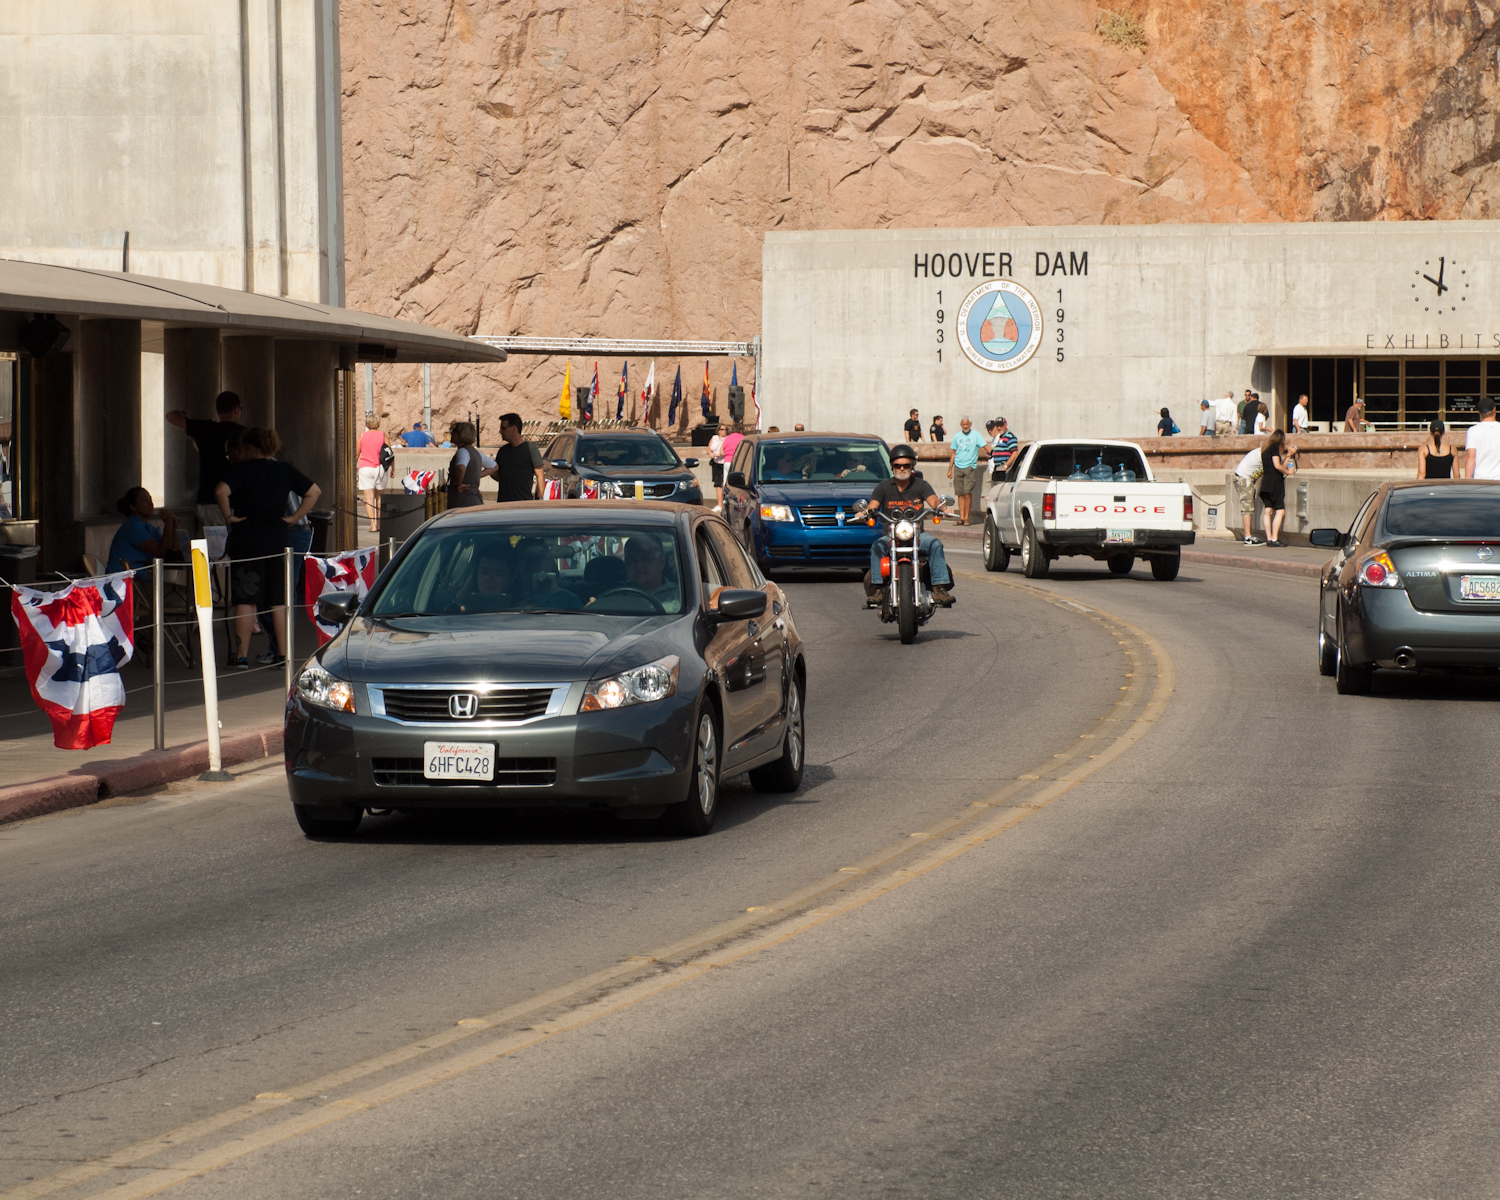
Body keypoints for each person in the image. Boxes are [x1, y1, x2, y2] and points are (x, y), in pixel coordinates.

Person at [215, 428, 320, 669]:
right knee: (278, 599)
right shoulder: (283, 469)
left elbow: (220, 490)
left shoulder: (240, 469)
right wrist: (294, 517)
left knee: (246, 598)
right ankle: (283, 654)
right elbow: (314, 491)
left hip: (247, 536)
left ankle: (241, 656)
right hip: (278, 536)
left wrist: (229, 516)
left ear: (248, 447)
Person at [864, 444, 953, 606]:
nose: (902, 468)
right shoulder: (883, 487)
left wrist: (942, 508)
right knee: (877, 546)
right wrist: (865, 512)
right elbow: (873, 506)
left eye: (906, 465)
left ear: (912, 466)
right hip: (891, 536)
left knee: (935, 544)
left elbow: (933, 501)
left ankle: (939, 589)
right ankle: (878, 590)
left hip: (918, 535)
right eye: (898, 465)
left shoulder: (921, 485)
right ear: (892, 467)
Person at [165, 390, 244, 532]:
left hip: (208, 500)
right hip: (238, 501)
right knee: (239, 545)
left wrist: (184, 416)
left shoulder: (206, 429)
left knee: (213, 545)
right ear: (236, 409)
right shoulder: (245, 434)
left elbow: (171, 416)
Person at [107, 487, 179, 573]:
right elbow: (161, 552)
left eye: (150, 500)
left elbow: (172, 552)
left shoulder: (147, 526)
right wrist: (167, 523)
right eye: (145, 500)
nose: (150, 503)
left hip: (139, 578)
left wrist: (173, 526)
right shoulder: (133, 526)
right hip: (123, 579)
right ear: (133, 507)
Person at [491, 412, 545, 502]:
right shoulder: (502, 451)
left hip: (523, 504)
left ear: (513, 429)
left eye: (503, 428)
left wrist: (539, 499)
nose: (500, 431)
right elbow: (499, 477)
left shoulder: (531, 449)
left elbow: (540, 476)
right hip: (503, 504)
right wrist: (490, 469)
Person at [1258, 429, 1298, 547]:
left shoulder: (1265, 448)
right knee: (1280, 511)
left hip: (1265, 483)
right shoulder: (1274, 447)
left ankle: (1269, 538)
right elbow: (1277, 466)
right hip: (1274, 484)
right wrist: (1288, 472)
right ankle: (1274, 538)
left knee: (1267, 511)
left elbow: (1279, 466)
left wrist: (1289, 455)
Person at [946, 416, 985, 526]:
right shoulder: (957, 436)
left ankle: (967, 517)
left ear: (970, 424)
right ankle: (961, 518)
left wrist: (991, 454)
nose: (965, 426)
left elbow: (985, 446)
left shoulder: (976, 435)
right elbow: (953, 453)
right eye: (963, 424)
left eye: (967, 424)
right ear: (961, 425)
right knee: (960, 494)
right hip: (958, 467)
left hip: (969, 467)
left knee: (967, 493)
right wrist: (950, 469)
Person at [622, 535, 678, 605]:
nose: (638, 565)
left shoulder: (680, 596)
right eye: (632, 559)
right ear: (625, 564)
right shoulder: (614, 595)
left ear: (662, 562)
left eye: (647, 558)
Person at [356, 416, 389, 533]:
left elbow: (356, 454)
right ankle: (379, 524)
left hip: (365, 467)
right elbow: (389, 452)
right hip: (380, 468)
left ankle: (373, 525)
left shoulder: (362, 436)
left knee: (368, 498)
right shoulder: (383, 435)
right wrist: (393, 470)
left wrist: (354, 470)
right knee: (379, 497)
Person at [446, 422, 488, 508]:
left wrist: (458, 484)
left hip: (463, 501)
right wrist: (475, 475)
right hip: (474, 498)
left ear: (460, 434)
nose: (451, 433)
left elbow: (461, 468)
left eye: (454, 431)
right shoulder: (476, 453)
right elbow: (493, 466)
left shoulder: (463, 451)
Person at [1233, 444, 1263, 546]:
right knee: (1247, 507)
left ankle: (1248, 536)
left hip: (1242, 478)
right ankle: (1248, 537)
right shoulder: (1264, 454)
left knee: (1248, 506)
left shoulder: (1261, 451)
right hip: (1244, 479)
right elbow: (1277, 466)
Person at [1466, 396, 1500, 480]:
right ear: (1494, 410)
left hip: (1480, 479)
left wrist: (1466, 481)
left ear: (1479, 413)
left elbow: (1471, 458)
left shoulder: (1473, 431)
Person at [707, 427, 726, 509]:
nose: (724, 431)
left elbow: (728, 451)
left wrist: (717, 454)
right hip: (716, 463)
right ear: (718, 431)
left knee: (725, 483)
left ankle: (725, 502)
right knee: (717, 483)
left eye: (725, 429)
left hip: (725, 462)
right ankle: (719, 504)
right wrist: (710, 454)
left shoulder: (727, 439)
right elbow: (708, 449)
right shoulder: (714, 438)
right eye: (722, 429)